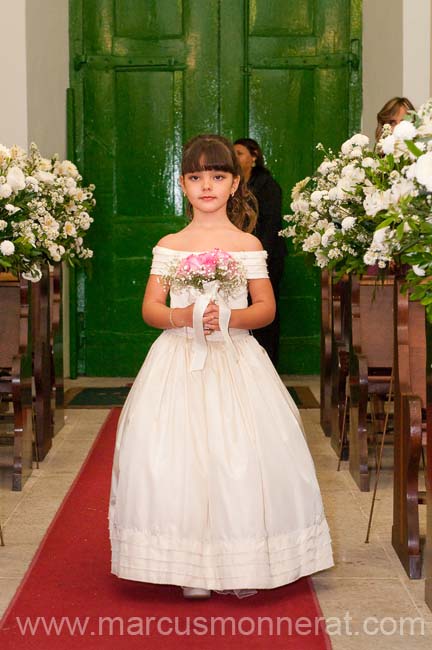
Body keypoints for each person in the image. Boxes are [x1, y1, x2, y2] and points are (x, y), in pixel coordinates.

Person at [109, 134, 333, 600]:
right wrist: (181, 316)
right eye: (196, 177)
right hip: (178, 359)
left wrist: (231, 318)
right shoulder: (170, 244)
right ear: (182, 184)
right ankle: (188, 561)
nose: (206, 185)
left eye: (217, 176)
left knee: (240, 455)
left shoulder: (247, 243)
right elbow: (151, 306)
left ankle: (240, 556)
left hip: (234, 357)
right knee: (176, 456)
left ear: (234, 184)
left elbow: (266, 308)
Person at [234, 138, 286, 367]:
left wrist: (257, 258)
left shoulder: (268, 185)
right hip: (238, 256)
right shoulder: (235, 185)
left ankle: (266, 364)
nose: (235, 158)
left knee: (262, 308)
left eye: (240, 153)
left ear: (254, 157)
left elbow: (271, 225)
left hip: (266, 257)